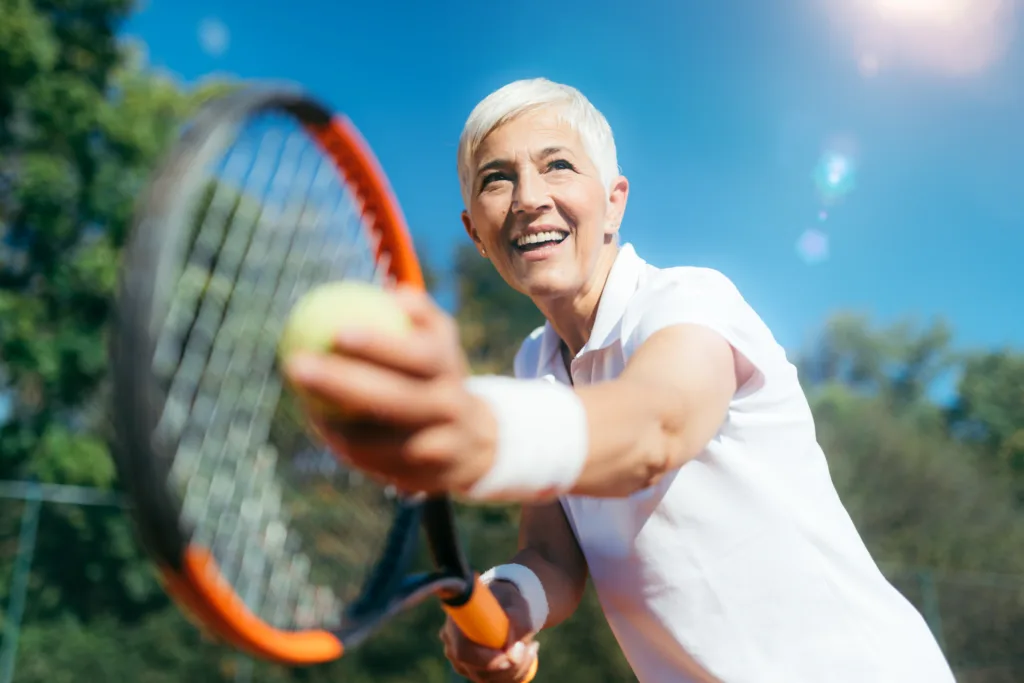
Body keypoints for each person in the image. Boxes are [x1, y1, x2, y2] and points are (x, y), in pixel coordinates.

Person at [283, 78, 957, 683]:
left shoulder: (689, 300)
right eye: (497, 178)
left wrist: (476, 427)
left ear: (613, 204)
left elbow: (654, 429)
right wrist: (510, 602)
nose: (528, 199)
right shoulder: (532, 365)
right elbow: (554, 553)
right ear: (476, 234)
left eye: (557, 165)